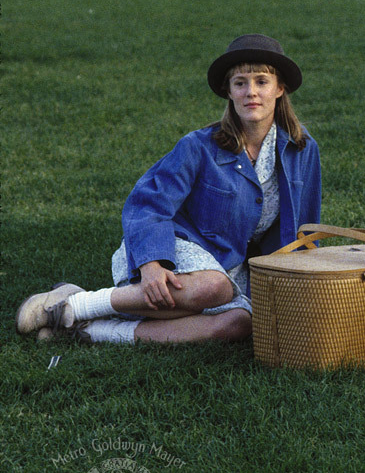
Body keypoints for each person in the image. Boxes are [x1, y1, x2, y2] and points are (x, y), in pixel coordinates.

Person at [16, 34, 321, 345]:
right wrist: (152, 264)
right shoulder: (199, 146)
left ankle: (90, 330)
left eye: (261, 81)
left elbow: (302, 228)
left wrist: (300, 286)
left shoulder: (302, 149)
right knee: (214, 289)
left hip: (234, 265)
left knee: (240, 324)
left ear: (280, 88)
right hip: (174, 246)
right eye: (240, 83)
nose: (251, 92)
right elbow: (147, 204)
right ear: (228, 92)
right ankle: (70, 305)